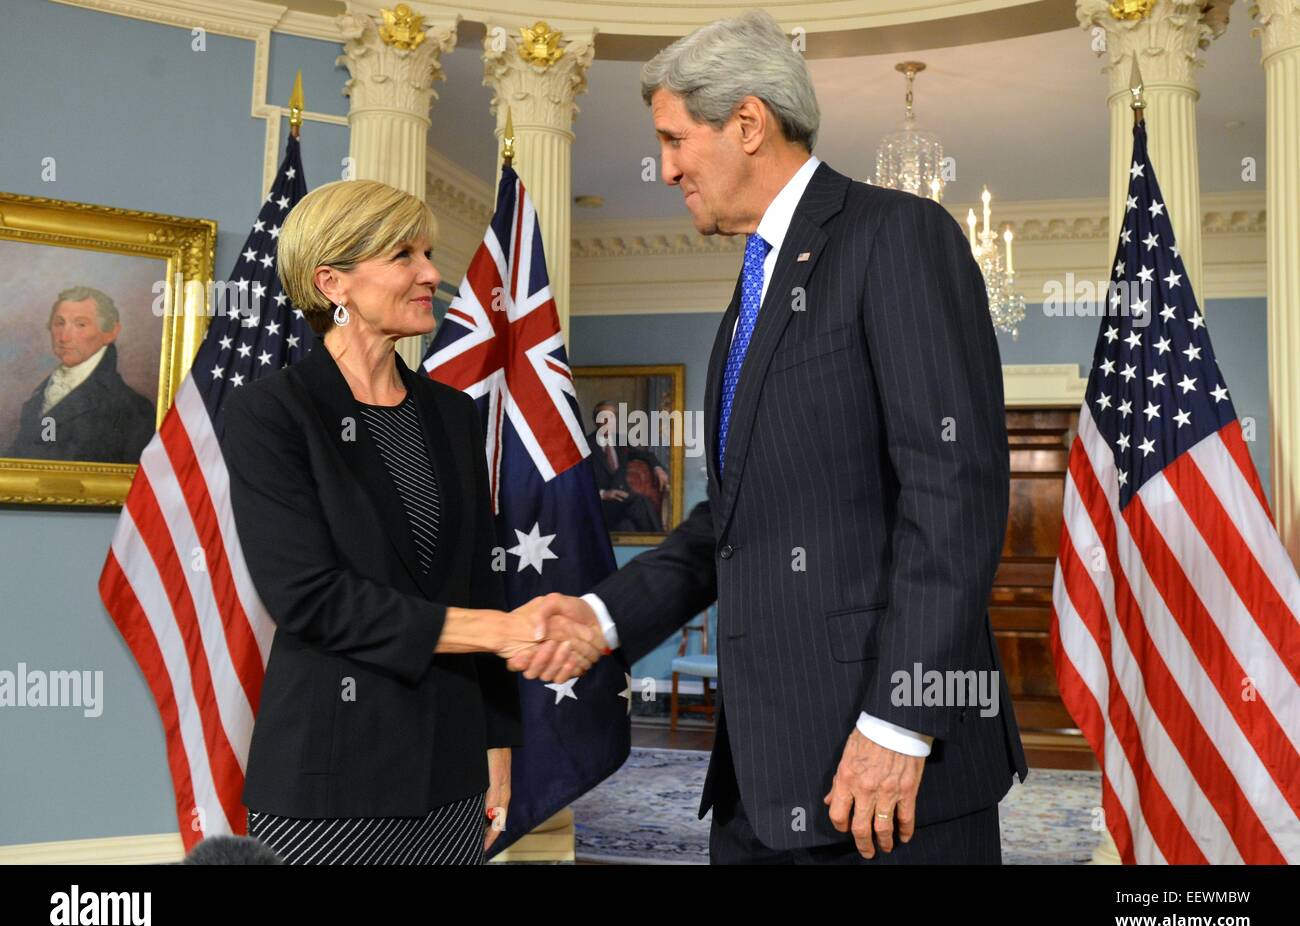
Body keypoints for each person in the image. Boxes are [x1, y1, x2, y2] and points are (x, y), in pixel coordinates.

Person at [535, 10, 1028, 864]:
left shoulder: (898, 237)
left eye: (675, 138)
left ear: (749, 122)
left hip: (885, 774)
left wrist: (900, 723)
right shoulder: (755, 291)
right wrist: (603, 614)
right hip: (758, 782)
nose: (665, 167)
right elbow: (731, 523)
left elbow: (955, 494)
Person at [221, 178, 605, 865]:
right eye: (404, 255)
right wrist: (504, 631)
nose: (432, 273)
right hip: (331, 779)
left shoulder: (455, 413)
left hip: (453, 776)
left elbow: (480, 582)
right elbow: (311, 596)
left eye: (428, 252)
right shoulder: (271, 413)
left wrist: (497, 745)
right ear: (332, 281)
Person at [6, 286, 155, 463]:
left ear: (110, 333)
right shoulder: (42, 392)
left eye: (80, 324)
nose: (64, 337)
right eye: (59, 323)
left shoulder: (134, 409)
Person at [588, 399, 668, 532]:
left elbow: (647, 455)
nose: (608, 422)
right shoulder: (585, 445)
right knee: (641, 503)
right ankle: (660, 541)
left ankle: (656, 543)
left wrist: (658, 469)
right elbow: (576, 482)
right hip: (601, 505)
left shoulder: (621, 442)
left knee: (627, 527)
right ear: (596, 420)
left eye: (612, 417)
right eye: (604, 417)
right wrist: (603, 494)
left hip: (623, 503)